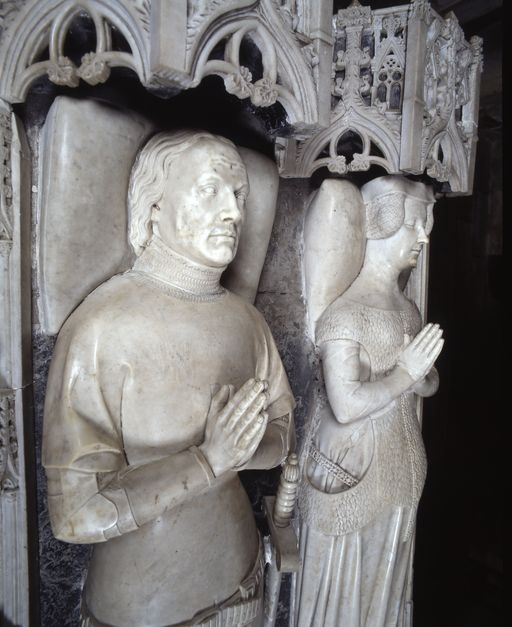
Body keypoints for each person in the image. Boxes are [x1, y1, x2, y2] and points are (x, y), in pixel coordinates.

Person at [42, 130, 295, 626]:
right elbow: (76, 512)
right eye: (210, 190)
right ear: (155, 204)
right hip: (145, 606)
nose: (234, 212)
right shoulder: (101, 328)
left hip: (242, 581)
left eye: (239, 195)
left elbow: (283, 429)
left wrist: (245, 449)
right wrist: (208, 460)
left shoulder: (247, 322)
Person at [295, 175, 444, 626]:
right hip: (351, 471)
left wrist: (420, 377)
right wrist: (405, 374)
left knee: (386, 597)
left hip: (399, 471)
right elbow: (346, 406)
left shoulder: (407, 311)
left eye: (426, 226)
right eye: (414, 225)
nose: (423, 238)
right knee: (344, 598)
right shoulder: (346, 316)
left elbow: (426, 381)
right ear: (380, 224)